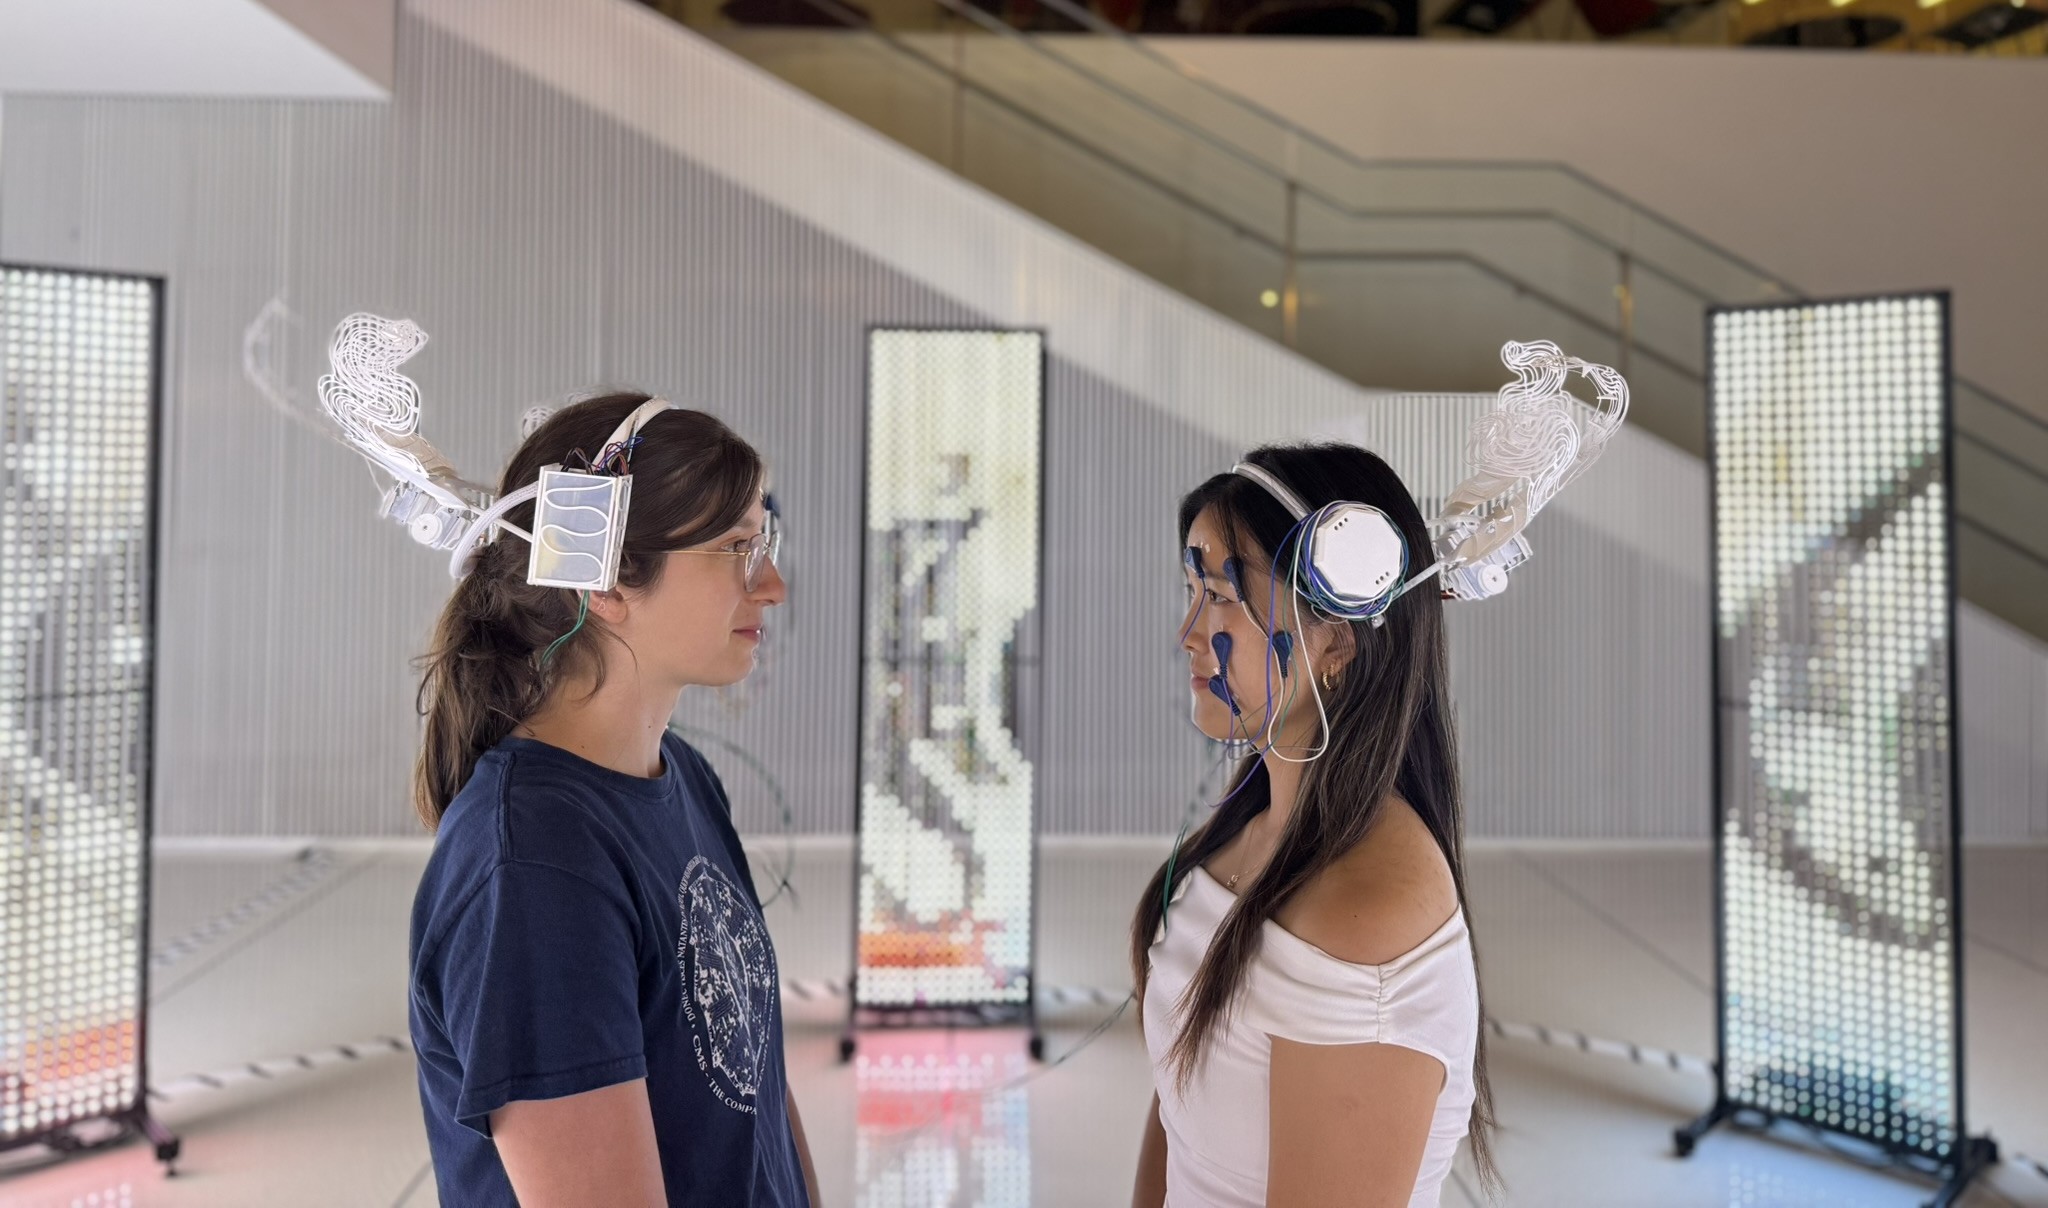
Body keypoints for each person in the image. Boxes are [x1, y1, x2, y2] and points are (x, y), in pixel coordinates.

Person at [405, 394, 819, 1208]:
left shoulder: (683, 777)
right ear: (604, 582)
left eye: (763, 541)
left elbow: (758, 1093)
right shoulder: (534, 868)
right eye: (737, 547)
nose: (770, 584)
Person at [1130, 444, 1497, 1208]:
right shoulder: (1251, 828)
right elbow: (1179, 1106)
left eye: (1223, 597)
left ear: (1336, 641)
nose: (1189, 632)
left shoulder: (1365, 925)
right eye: (1191, 591)